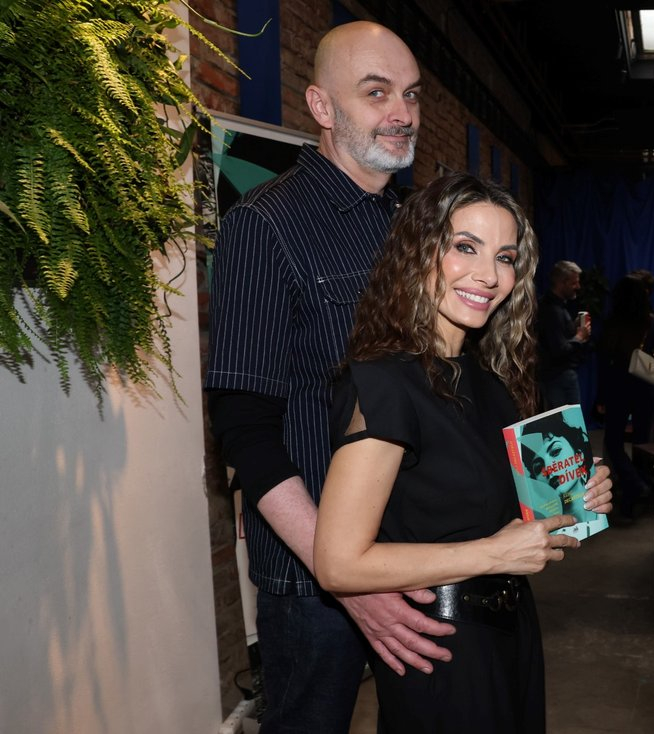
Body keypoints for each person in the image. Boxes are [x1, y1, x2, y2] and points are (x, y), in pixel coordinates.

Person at [204, 22, 454, 733]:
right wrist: (342, 573)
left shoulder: (413, 225)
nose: (401, 112)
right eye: (376, 93)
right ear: (321, 106)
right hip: (314, 579)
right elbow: (244, 429)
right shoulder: (265, 225)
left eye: (410, 94)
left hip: (412, 550)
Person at [313, 173, 614, 732]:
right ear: (418, 251)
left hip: (513, 631)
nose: (489, 275)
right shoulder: (384, 382)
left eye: (505, 257)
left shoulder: (491, 380)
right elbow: (338, 563)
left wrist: (575, 498)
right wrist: (493, 554)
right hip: (442, 651)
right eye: (465, 247)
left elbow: (508, 521)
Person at [597, 271, 654, 523]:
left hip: (618, 388)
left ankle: (633, 486)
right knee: (642, 442)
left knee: (613, 442)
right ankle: (640, 488)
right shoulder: (653, 323)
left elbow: (604, 363)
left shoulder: (611, 323)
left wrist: (601, 397)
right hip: (645, 387)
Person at [537, 260, 591, 409]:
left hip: (555, 377)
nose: (578, 287)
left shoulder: (553, 306)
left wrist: (572, 328)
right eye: (574, 283)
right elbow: (558, 350)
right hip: (558, 378)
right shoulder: (552, 310)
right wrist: (579, 337)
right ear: (562, 283)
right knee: (568, 422)